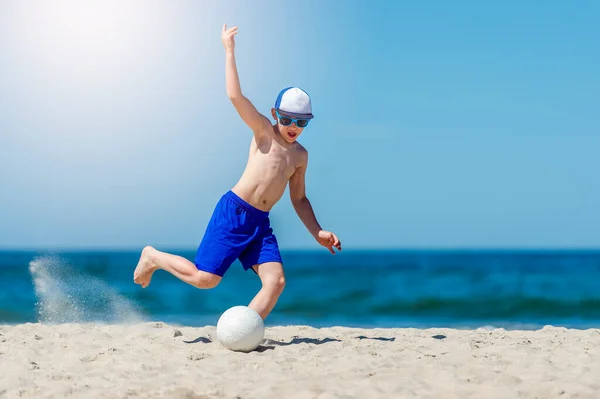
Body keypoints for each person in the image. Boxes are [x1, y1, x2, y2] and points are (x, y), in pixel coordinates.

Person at [133, 24, 341, 320]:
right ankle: (153, 256)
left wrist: (317, 232)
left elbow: (300, 200)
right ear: (274, 115)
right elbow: (235, 96)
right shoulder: (264, 133)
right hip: (234, 213)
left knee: (276, 281)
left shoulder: (300, 156)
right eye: (287, 119)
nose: (293, 127)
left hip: (260, 224)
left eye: (301, 122)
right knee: (206, 279)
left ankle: (244, 328)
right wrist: (229, 50)